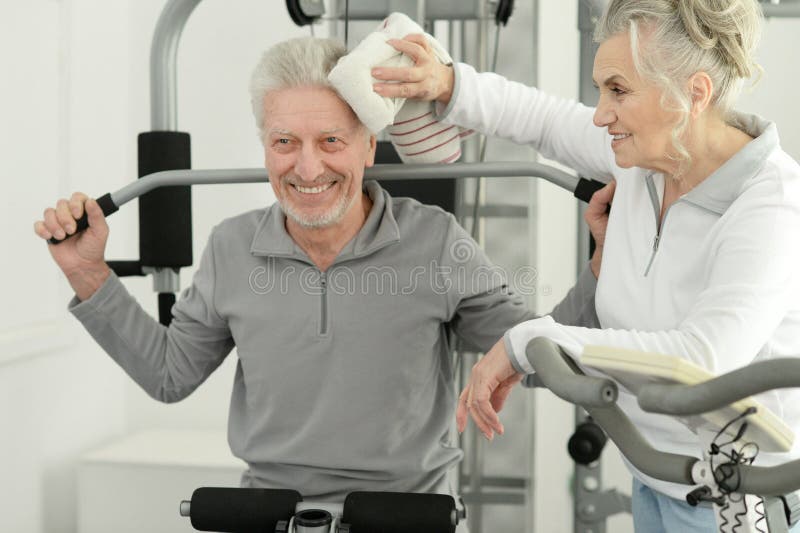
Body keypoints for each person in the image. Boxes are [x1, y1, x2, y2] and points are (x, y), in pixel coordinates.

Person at [33, 37, 608, 511]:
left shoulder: (437, 242)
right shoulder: (231, 246)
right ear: (265, 146)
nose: (307, 168)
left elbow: (539, 360)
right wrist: (89, 273)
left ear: (367, 145)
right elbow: (168, 374)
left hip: (405, 514)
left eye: (331, 141)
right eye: (286, 142)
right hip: (270, 510)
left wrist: (602, 265)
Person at [372, 0, 800, 531]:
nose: (601, 113)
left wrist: (531, 341)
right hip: (660, 476)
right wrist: (448, 83)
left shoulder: (772, 203)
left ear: (693, 93)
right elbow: (544, 119)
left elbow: (702, 361)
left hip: (742, 501)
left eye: (618, 90)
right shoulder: (651, 158)